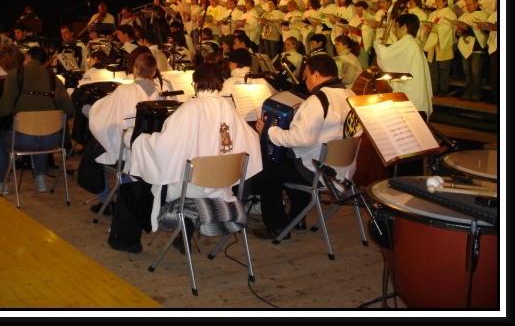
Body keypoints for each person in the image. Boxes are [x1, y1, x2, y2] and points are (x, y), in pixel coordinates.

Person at [107, 62, 263, 253]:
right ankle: (182, 237)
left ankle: (126, 242)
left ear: (196, 84)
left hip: (188, 192)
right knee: (187, 174)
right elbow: (252, 140)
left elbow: (163, 147)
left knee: (130, 190)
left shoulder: (191, 108)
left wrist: (136, 139)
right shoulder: (229, 108)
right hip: (221, 190)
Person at [253, 54, 355, 239]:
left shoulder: (318, 100)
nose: (305, 81)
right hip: (342, 169)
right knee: (293, 159)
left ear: (316, 74)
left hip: (319, 171)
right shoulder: (351, 96)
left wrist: (269, 131)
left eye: (306, 76)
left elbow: (301, 139)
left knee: (265, 170)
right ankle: (297, 218)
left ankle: (277, 228)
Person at [0, 46, 75, 195]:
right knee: (42, 129)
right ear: (44, 61)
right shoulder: (53, 78)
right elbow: (69, 110)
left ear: (27, 57)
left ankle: (2, 183)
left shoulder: (15, 74)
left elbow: (5, 108)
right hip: (51, 140)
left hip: (23, 140)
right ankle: (40, 178)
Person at [87, 53, 168, 217]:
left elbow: (101, 117)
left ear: (135, 69)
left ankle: (107, 200)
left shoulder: (124, 90)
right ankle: (125, 191)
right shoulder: (161, 95)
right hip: (148, 153)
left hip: (125, 151)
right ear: (154, 72)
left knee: (91, 154)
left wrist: (88, 110)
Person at [373, 13, 433, 119]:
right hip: (417, 103)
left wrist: (377, 43)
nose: (394, 31)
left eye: (396, 27)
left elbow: (385, 55)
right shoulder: (414, 43)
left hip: (412, 104)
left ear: (404, 27)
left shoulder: (407, 42)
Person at [423, 0, 456, 97]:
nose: (436, 3)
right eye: (435, 1)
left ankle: (443, 89)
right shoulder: (433, 14)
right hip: (433, 44)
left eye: (439, 1)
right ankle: (434, 88)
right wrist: (428, 28)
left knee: (443, 69)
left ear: (445, 2)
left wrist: (435, 28)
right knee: (433, 68)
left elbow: (449, 29)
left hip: (443, 43)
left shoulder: (449, 13)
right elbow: (428, 24)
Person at [456, 0, 488, 102]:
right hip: (465, 45)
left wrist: (467, 28)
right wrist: (458, 31)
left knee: (475, 72)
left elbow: (483, 31)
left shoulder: (482, 15)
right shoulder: (463, 16)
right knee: (467, 71)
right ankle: (467, 92)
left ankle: (476, 94)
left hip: (476, 47)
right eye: (466, 5)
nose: (468, 7)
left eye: (470, 5)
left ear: (476, 4)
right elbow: (457, 33)